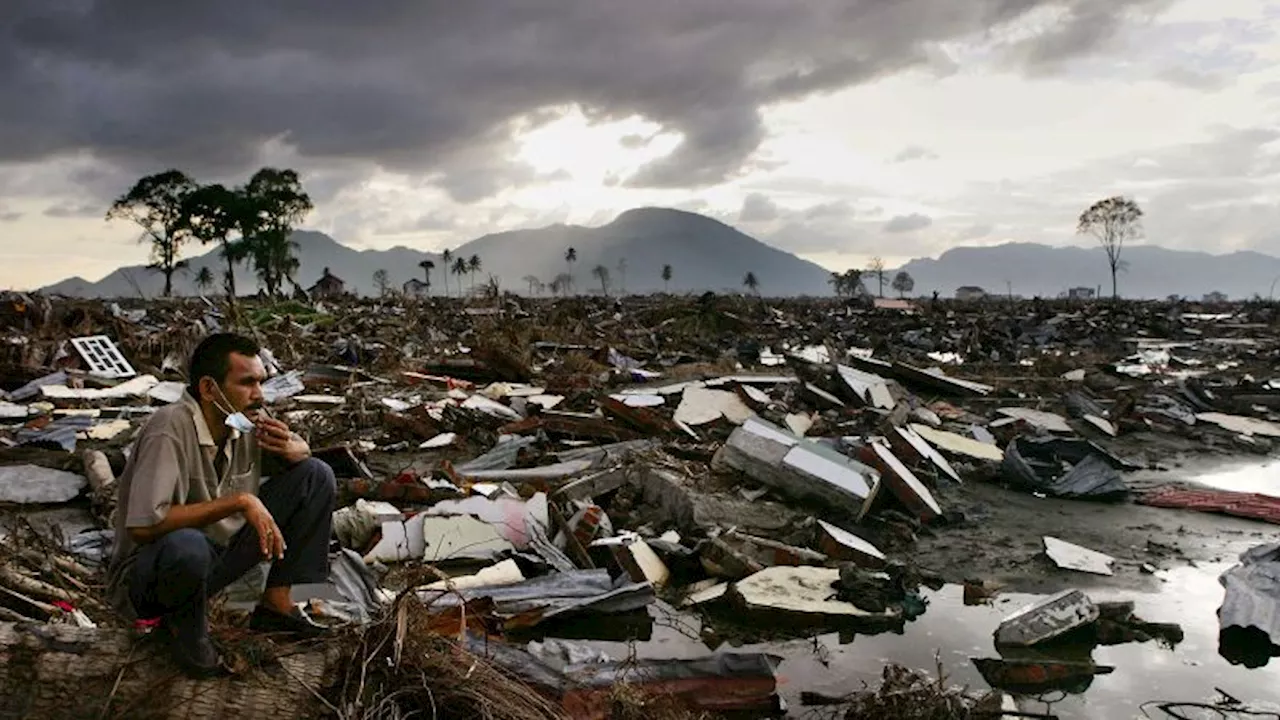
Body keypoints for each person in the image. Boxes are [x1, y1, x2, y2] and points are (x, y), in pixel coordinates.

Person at [105, 332, 336, 677]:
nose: (259, 394)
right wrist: (241, 501)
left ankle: (279, 604)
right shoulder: (169, 427)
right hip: (151, 577)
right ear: (209, 389)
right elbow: (143, 526)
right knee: (187, 543)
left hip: (212, 562)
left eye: (261, 382)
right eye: (247, 383)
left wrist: (296, 449)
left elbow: (301, 457)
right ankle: (184, 631)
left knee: (316, 475)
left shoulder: (239, 421)